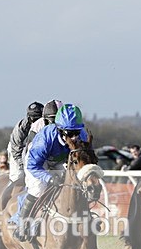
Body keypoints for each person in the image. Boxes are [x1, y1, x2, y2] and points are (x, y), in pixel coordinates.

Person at [13, 103, 89, 241]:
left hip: (59, 160)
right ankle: (22, 225)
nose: (74, 138)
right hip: (37, 162)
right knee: (38, 188)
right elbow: (33, 165)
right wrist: (49, 178)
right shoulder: (45, 139)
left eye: (77, 132)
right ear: (60, 130)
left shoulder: (82, 135)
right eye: (70, 133)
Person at [6, 101, 44, 184]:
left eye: (39, 118)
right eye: (35, 118)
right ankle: (9, 190)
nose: (38, 121)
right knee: (18, 176)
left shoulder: (44, 125)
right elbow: (16, 149)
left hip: (31, 150)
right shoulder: (21, 128)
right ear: (29, 117)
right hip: (16, 150)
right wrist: (22, 164)